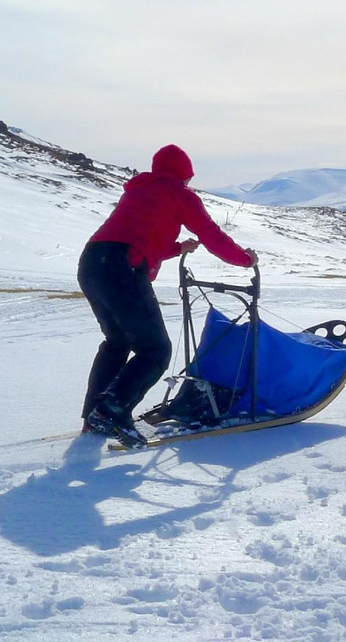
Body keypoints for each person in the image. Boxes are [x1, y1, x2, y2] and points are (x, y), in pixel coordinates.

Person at [78, 144, 257, 447]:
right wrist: (246, 259)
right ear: (184, 175)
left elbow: (139, 238)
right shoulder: (179, 193)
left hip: (92, 262)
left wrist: (178, 248)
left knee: (117, 342)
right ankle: (111, 412)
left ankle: (95, 416)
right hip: (121, 266)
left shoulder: (138, 191)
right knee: (156, 350)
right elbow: (212, 235)